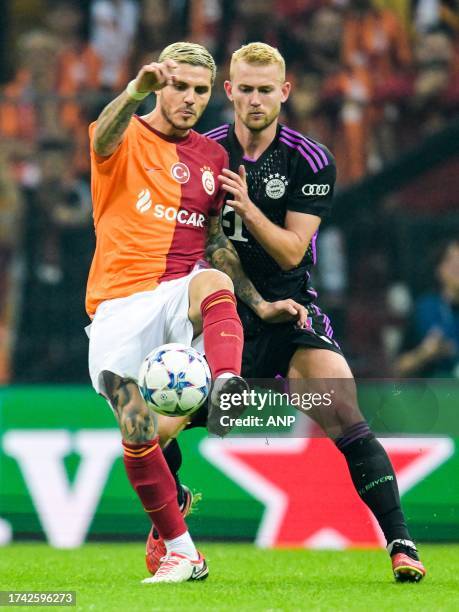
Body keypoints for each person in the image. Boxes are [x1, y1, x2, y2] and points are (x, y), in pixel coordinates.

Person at [152, 42, 426, 583]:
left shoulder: (310, 158)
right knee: (153, 430)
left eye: (265, 90)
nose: (254, 101)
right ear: (228, 92)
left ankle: (400, 542)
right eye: (244, 90)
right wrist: (250, 297)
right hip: (225, 312)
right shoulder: (201, 152)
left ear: (285, 92)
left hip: (293, 313)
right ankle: (175, 503)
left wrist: (247, 204)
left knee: (345, 412)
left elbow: (292, 252)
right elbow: (205, 242)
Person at [86, 40, 306, 585]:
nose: (188, 98)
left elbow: (218, 246)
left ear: (213, 94)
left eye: (199, 90)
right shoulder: (123, 135)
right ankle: (184, 550)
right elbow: (105, 131)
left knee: (208, 276)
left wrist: (258, 301)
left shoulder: (213, 160)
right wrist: (136, 90)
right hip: (115, 305)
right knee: (141, 433)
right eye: (178, 86)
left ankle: (227, 384)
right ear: (161, 85)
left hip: (177, 293)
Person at [395, 239, 459, 378]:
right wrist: (425, 353)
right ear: (439, 269)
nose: (457, 267)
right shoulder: (424, 309)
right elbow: (399, 368)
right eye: (452, 261)